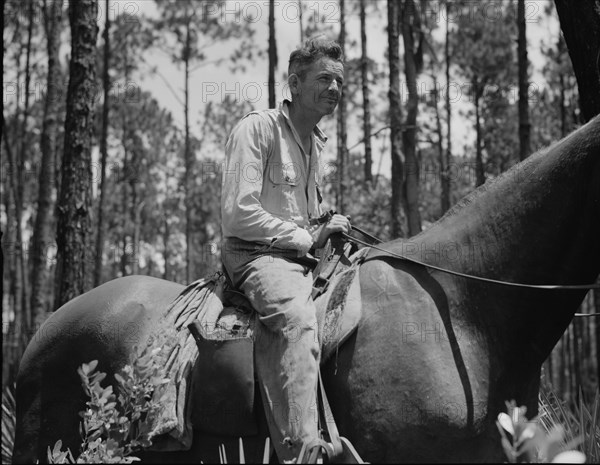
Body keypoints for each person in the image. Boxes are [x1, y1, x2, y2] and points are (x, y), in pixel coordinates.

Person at [220, 36, 351, 462]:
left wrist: (324, 227)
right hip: (254, 257)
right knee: (298, 317)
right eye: (324, 79)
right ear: (294, 83)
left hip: (298, 256)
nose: (335, 88)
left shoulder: (314, 142)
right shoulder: (257, 128)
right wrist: (304, 237)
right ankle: (304, 450)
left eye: (339, 81)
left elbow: (298, 215)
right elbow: (239, 214)